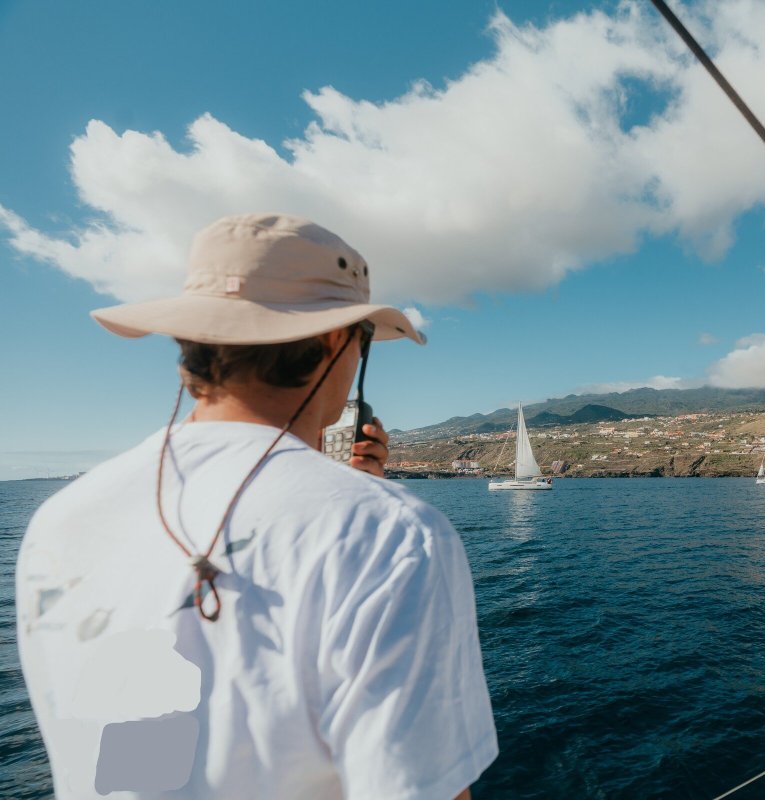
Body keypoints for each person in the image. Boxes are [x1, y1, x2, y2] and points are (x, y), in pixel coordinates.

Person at [16, 213, 497, 799]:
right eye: (363, 337)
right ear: (333, 341)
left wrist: (335, 481)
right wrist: (356, 498)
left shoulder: (59, 520)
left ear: (194, 341)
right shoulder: (393, 535)